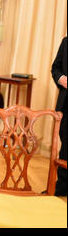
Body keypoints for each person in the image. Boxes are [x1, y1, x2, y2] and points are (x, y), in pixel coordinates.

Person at [51, 36, 67, 196]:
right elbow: (55, 68)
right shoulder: (66, 42)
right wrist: (61, 78)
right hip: (65, 102)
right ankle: (61, 186)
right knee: (65, 146)